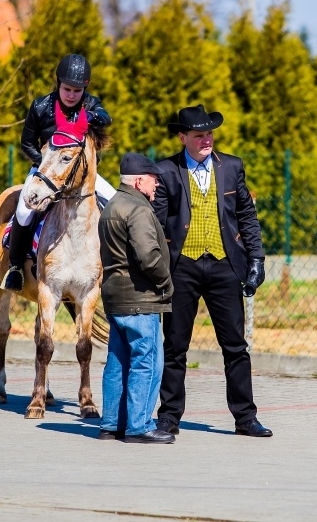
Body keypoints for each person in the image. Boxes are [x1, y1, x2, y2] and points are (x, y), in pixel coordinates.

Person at [152, 104, 271, 438]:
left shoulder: (232, 167)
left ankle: (245, 418)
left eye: (209, 133)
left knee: (235, 346)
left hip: (224, 265)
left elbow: (246, 215)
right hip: (182, 268)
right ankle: (169, 417)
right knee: (174, 347)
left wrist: (256, 258)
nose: (206, 140)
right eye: (198, 135)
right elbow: (157, 224)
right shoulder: (166, 170)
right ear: (183, 137)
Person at [2, 53, 116, 292]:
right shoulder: (41, 106)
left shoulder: (89, 103)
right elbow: (27, 143)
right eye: (67, 89)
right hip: (45, 170)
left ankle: (116, 265)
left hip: (80, 175)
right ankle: (15, 267)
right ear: (58, 83)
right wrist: (46, 165)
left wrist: (93, 116)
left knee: (115, 202)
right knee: (24, 210)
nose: (72, 95)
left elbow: (106, 118)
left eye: (77, 90)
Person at [97, 153, 175, 444]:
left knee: (118, 361)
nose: (157, 186)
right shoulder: (139, 209)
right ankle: (139, 426)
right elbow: (148, 255)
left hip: (115, 296)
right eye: (154, 180)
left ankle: (111, 424)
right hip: (140, 297)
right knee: (147, 360)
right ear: (140, 181)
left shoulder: (112, 206)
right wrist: (166, 283)